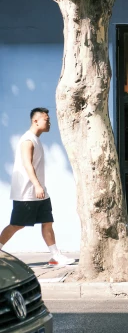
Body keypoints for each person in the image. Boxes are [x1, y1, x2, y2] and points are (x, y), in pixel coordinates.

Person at [0, 108, 74, 266]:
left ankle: (55, 256)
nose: (49, 123)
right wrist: (37, 186)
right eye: (47, 120)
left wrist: (41, 188)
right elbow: (27, 164)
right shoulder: (28, 140)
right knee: (16, 225)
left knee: (47, 222)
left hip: (40, 192)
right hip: (27, 192)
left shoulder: (36, 139)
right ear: (36, 121)